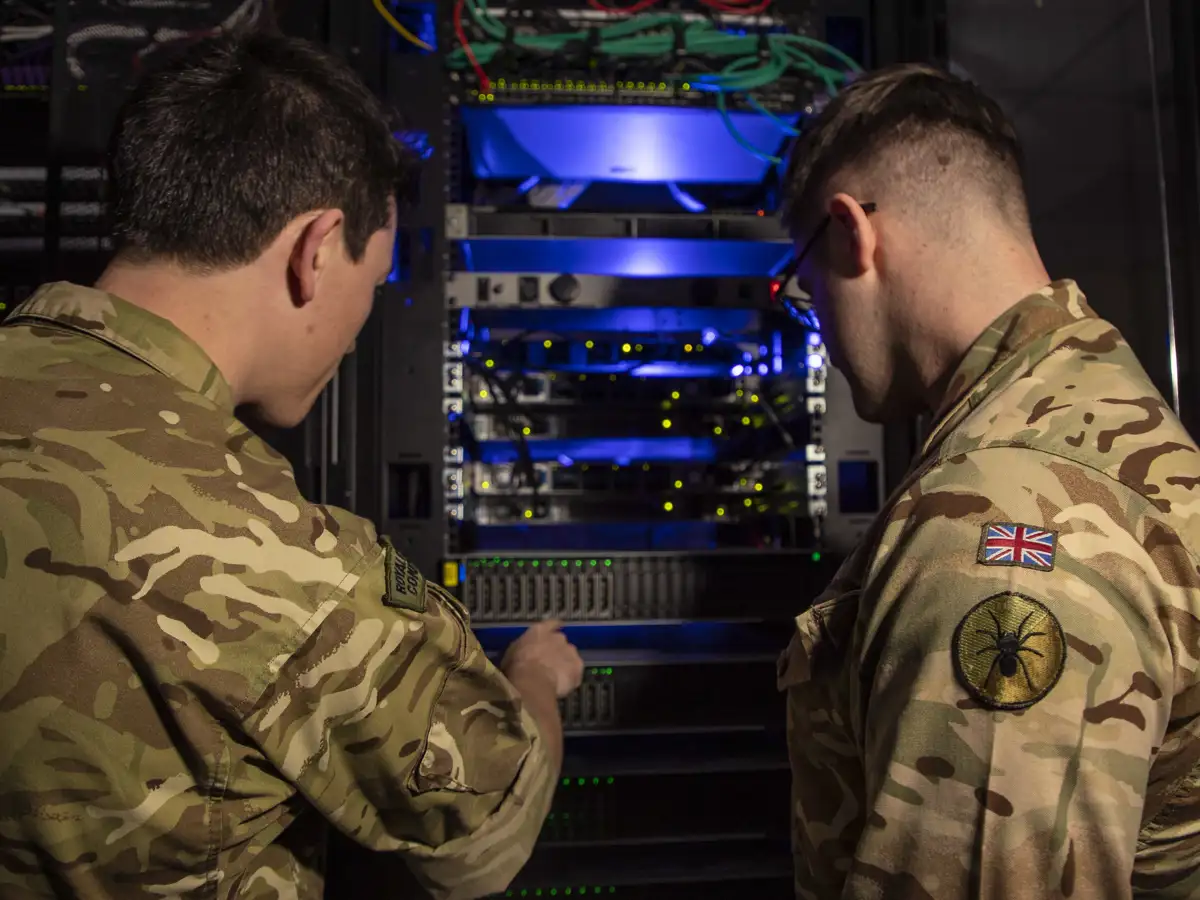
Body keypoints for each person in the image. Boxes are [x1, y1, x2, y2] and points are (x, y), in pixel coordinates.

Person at [0, 31, 583, 900]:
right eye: (374, 282)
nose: (359, 327)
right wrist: (533, 678)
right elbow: (483, 836)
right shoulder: (271, 557)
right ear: (316, 250)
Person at [776, 62, 1200, 899]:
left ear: (850, 231)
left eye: (803, 290)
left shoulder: (998, 530)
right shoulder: (1096, 402)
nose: (817, 326)